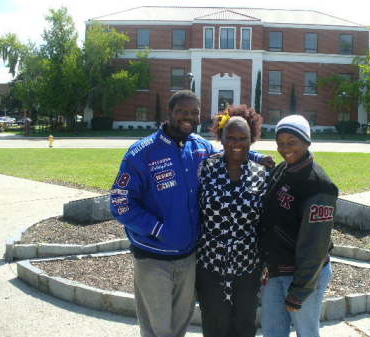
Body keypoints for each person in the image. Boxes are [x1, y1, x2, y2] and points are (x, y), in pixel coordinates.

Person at [109, 90, 273, 337]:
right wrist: (158, 229)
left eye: (194, 113)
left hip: (189, 259)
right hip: (153, 258)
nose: (188, 117)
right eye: (181, 112)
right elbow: (120, 203)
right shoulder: (142, 152)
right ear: (169, 113)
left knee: (178, 327)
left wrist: (256, 156)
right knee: (157, 329)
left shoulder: (200, 148)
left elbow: (232, 150)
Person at [260, 115, 338, 337]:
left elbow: (316, 244)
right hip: (275, 271)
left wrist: (300, 289)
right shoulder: (282, 170)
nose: (285, 148)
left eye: (292, 142)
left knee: (307, 332)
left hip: (302, 276)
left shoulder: (319, 185)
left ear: (306, 141)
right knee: (272, 331)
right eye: (281, 143)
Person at [196, 105, 268, 337]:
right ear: (221, 137)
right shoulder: (206, 168)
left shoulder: (261, 173)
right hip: (210, 265)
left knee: (245, 326)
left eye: (243, 138)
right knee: (214, 325)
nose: (237, 143)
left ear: (252, 138)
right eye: (231, 137)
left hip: (247, 267)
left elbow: (266, 222)